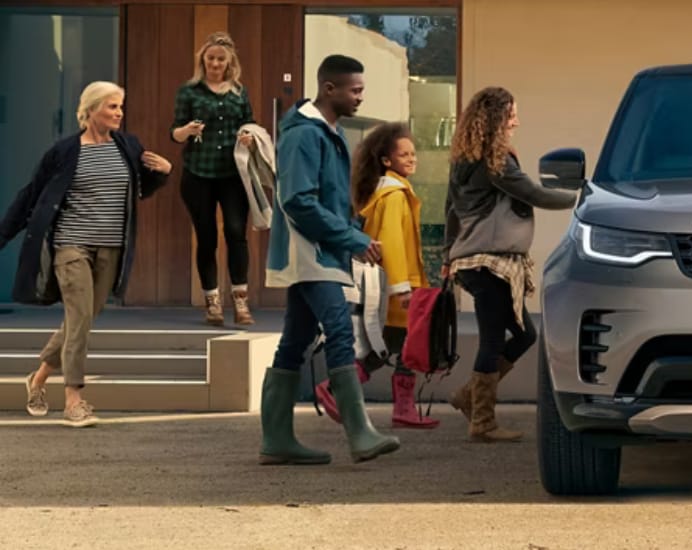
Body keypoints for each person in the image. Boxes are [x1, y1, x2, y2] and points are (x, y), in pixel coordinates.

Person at [0, 81, 172, 427]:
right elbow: (31, 195)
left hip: (111, 247)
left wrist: (163, 173)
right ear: (91, 110)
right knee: (79, 316)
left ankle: (38, 378)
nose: (119, 113)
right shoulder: (64, 152)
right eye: (112, 106)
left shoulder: (128, 146)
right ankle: (74, 400)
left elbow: (139, 189)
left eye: (120, 106)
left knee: (83, 319)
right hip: (71, 245)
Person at [259, 54, 399, 465]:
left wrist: (353, 231)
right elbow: (298, 201)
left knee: (295, 341)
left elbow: (326, 199)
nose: (360, 97)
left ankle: (277, 441)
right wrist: (351, 238)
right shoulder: (307, 134)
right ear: (329, 88)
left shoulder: (325, 131)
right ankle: (360, 434)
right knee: (339, 329)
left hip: (319, 250)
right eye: (355, 90)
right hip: (311, 252)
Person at [444, 87, 577, 442]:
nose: (517, 122)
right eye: (512, 115)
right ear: (496, 119)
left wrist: (447, 254)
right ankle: (483, 423)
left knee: (524, 334)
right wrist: (582, 199)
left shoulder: (464, 159)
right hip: (491, 262)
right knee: (492, 339)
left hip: (473, 261)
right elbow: (533, 193)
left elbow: (450, 211)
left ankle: (469, 396)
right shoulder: (495, 160)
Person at [315, 121, 439, 429]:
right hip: (399, 289)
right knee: (403, 347)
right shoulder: (394, 195)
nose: (412, 159)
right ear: (386, 160)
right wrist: (402, 288)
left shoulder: (383, 192)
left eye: (413, 153)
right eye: (404, 155)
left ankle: (354, 392)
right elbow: (391, 243)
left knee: (389, 347)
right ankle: (339, 389)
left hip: (389, 286)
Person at [171, 31, 257, 326]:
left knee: (235, 232)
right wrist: (186, 131)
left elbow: (250, 124)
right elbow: (174, 132)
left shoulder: (239, 92)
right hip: (198, 173)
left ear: (229, 62)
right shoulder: (189, 91)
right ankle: (213, 303)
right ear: (203, 60)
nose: (215, 64)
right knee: (206, 237)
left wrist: (249, 137)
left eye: (220, 59)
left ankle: (241, 301)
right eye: (210, 59)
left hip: (233, 174)